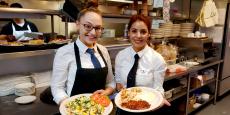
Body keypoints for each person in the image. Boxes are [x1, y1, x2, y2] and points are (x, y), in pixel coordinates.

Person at [50, 4, 115, 105]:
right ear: (77, 25)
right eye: (88, 26)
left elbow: (110, 82)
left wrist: (106, 92)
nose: (93, 32)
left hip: (101, 109)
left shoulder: (104, 51)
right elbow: (57, 88)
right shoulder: (63, 52)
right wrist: (68, 107)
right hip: (74, 109)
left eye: (98, 28)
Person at [115, 15, 171, 114]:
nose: (138, 36)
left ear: (149, 34)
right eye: (134, 31)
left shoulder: (157, 59)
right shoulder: (121, 56)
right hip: (123, 107)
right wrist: (120, 90)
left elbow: (158, 89)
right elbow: (119, 83)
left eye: (143, 32)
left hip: (146, 108)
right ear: (128, 33)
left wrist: (160, 99)